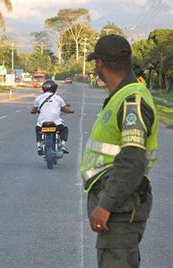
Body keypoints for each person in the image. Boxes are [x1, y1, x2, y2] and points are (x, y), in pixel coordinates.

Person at [81, 34, 158, 268]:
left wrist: (105, 205)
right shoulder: (125, 97)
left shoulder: (130, 101)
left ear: (99, 64)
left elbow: (132, 159)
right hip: (122, 206)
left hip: (121, 208)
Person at [31, 79, 74, 155]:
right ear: (55, 89)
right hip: (56, 122)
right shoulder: (58, 98)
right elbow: (65, 109)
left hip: (42, 123)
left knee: (38, 130)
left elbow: (34, 110)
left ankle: (39, 146)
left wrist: (33, 112)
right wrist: (71, 111)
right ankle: (63, 145)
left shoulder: (38, 98)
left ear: (44, 88)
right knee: (64, 129)